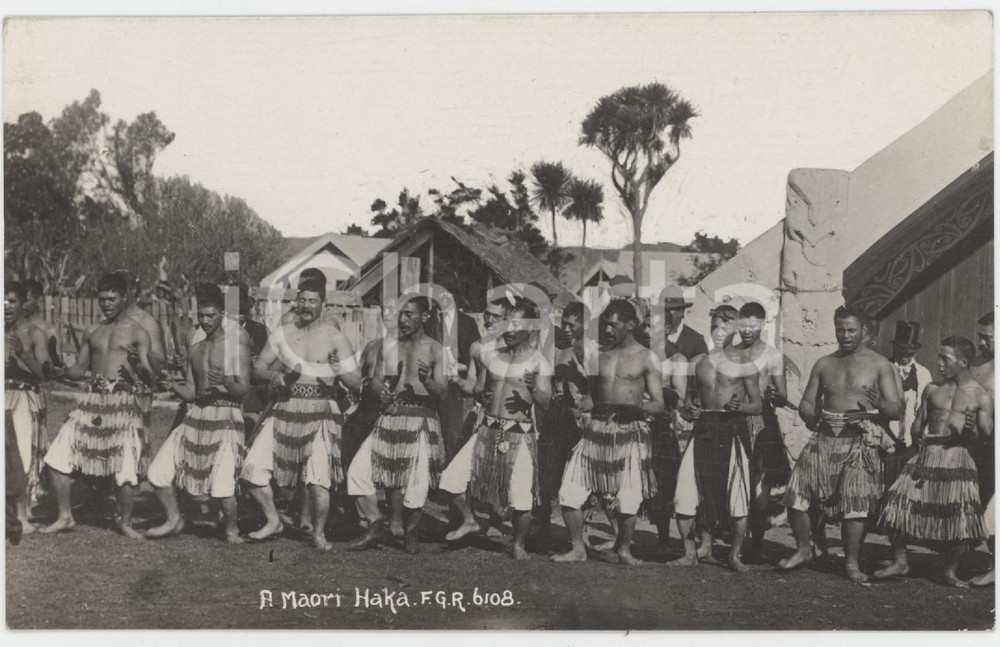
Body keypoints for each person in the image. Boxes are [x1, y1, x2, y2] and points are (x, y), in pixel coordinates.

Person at [778, 305, 902, 583]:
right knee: (796, 495)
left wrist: (880, 404)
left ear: (864, 331)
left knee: (855, 504)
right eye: (840, 330)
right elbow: (808, 401)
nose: (845, 335)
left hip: (860, 439)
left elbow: (896, 409)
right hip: (824, 436)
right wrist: (809, 413)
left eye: (851, 330)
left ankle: (852, 564)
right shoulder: (824, 363)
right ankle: (802, 550)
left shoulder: (880, 365)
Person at [241, 273, 360, 550]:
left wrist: (338, 369)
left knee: (318, 480)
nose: (306, 306)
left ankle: (318, 533)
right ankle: (273, 520)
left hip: (321, 411)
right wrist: (273, 377)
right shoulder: (284, 333)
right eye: (302, 300)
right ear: (296, 301)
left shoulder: (335, 337)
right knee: (250, 470)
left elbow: (357, 382)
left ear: (323, 304)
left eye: (312, 301)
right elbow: (258, 367)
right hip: (284, 409)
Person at [40, 272, 157, 539]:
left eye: (111, 299)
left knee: (126, 463)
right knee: (56, 457)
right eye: (102, 299)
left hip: (123, 402)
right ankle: (65, 516)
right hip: (92, 400)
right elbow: (79, 370)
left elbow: (151, 376)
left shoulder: (138, 332)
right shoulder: (93, 331)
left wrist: (140, 368)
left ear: (124, 298)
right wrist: (59, 370)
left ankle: (125, 522)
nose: (106, 304)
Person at [440, 297, 552, 560]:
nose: (509, 330)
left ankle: (518, 544)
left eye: (516, 324)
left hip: (520, 433)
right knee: (451, 480)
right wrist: (470, 388)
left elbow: (546, 403)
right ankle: (469, 520)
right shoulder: (491, 357)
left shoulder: (539, 362)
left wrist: (534, 388)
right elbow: (478, 390)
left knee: (521, 496)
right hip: (487, 429)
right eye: (507, 323)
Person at [875, 336, 992, 587]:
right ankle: (900, 561)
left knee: (961, 515)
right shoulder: (933, 389)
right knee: (896, 503)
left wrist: (970, 432)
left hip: (958, 458)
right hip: (927, 454)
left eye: (945, 358)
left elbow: (986, 436)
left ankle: (949, 570)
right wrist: (920, 447)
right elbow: (918, 426)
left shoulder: (980, 396)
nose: (939, 363)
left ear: (962, 362)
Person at [553, 299, 663, 566]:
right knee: (570, 490)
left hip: (630, 431)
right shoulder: (597, 355)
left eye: (613, 325)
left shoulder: (647, 357)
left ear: (631, 325)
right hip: (596, 430)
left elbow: (659, 403)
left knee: (628, 495)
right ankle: (578, 548)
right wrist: (579, 405)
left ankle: (623, 550)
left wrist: (639, 405)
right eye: (605, 325)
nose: (608, 330)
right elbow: (591, 397)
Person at [145, 283, 252, 544]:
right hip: (196, 417)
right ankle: (174, 519)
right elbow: (192, 393)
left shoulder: (235, 346)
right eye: (201, 316)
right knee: (157, 473)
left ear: (222, 315)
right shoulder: (195, 349)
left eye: (210, 315)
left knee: (223, 484)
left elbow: (243, 391)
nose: (204, 321)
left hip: (226, 418)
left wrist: (226, 382)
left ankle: (231, 531)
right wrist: (172, 386)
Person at [346, 296, 449, 554]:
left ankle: (411, 534)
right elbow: (374, 380)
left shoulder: (436, 349)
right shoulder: (389, 347)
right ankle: (376, 524)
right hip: (389, 417)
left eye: (409, 315)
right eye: (400, 314)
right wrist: (376, 385)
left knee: (416, 482)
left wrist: (428, 382)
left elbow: (443, 392)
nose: (402, 320)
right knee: (358, 471)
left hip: (421, 419)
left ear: (424, 317)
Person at [672, 305, 761, 571]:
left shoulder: (745, 363)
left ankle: (734, 554)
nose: (718, 331)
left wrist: (740, 408)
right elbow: (687, 404)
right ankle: (690, 553)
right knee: (685, 492)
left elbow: (757, 405)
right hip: (704, 428)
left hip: (731, 428)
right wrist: (690, 410)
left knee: (737, 497)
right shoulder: (698, 363)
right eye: (714, 326)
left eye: (724, 326)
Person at [734, 301, 790, 560]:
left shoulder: (772, 355)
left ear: (762, 325)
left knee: (760, 484)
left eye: (752, 326)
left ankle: (757, 543)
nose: (747, 331)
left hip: (763, 422)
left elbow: (782, 395)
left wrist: (773, 395)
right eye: (743, 326)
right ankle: (734, 539)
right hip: (734, 419)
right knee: (736, 478)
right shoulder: (730, 354)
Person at [5, 281, 53, 533]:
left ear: (23, 303)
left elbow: (45, 374)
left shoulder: (36, 334)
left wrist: (23, 356)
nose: (5, 306)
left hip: (24, 399)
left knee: (22, 454)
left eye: (11, 300)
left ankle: (23, 515)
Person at [969, 312, 995, 588]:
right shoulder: (978, 362)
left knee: (993, 509)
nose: (982, 342)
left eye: (988, 337)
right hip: (978, 443)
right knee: (979, 499)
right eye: (980, 336)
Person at [22, 279, 61, 367]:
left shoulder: (49, 331)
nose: (22, 305)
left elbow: (56, 367)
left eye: (26, 301)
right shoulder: (12, 327)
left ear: (39, 301)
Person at [662, 295, 709, 361]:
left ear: (680, 313)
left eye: (668, 310)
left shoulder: (696, 341)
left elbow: (701, 368)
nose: (663, 314)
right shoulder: (652, 336)